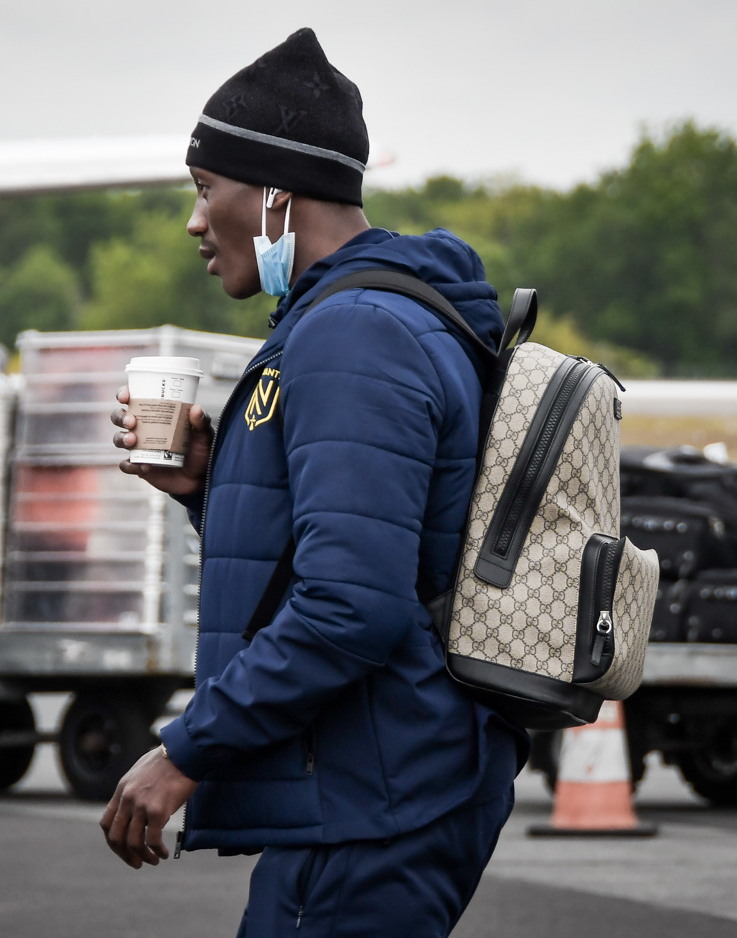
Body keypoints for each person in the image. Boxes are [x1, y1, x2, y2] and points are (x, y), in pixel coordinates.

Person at [100, 28, 528, 937]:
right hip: (375, 785)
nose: (194, 222)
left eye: (205, 188)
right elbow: (364, 553)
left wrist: (186, 750)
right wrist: (207, 490)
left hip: (377, 795)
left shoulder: (352, 332)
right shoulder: (363, 318)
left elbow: (351, 607)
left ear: (275, 196)